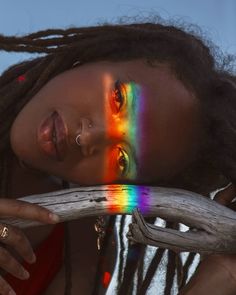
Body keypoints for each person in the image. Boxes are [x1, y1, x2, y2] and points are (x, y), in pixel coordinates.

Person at [0, 20, 236, 295]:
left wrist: (218, 280)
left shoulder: (78, 256)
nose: (86, 138)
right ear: (93, 59)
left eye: (122, 159)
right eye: (118, 99)